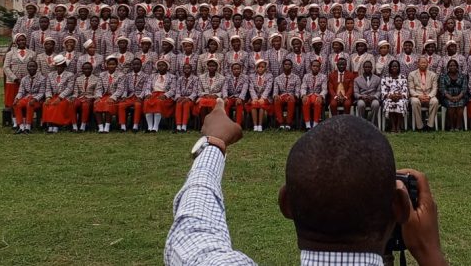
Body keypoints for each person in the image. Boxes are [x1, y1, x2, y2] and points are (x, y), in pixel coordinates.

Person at [164, 105, 448, 265]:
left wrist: (215, 144)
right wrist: (430, 255)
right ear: (400, 207)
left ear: (286, 204)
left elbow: (193, 229)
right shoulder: (404, 215)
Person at [13, 60, 47, 134]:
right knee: (16, 104)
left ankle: (28, 127)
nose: (31, 68)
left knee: (30, 104)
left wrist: (35, 99)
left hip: (37, 100)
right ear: (27, 68)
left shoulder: (42, 78)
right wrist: (17, 98)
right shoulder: (24, 79)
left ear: (36, 67)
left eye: (33, 66)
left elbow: (42, 93)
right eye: (30, 66)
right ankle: (21, 127)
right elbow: (21, 91)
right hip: (26, 97)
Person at [407, 57, 440, 131]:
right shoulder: (412, 74)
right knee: (415, 102)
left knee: (435, 101)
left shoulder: (433, 75)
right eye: (421, 63)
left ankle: (430, 125)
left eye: (425, 63)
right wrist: (419, 96)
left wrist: (429, 96)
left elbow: (435, 89)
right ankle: (419, 126)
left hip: (429, 95)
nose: (423, 64)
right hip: (416, 96)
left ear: (428, 64)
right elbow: (411, 89)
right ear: (418, 64)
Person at [438, 60, 468, 131]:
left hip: (461, 96)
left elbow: (464, 88)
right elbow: (442, 89)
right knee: (450, 104)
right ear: (448, 67)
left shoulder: (463, 76)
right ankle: (451, 126)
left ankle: (458, 126)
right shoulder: (443, 76)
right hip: (447, 97)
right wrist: (450, 97)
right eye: (450, 66)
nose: (452, 67)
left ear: (457, 67)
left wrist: (458, 97)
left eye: (454, 65)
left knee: (460, 104)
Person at [381, 61, 409, 133]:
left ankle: (398, 126)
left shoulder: (403, 77)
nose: (394, 68)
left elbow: (405, 91)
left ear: (399, 67)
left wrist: (399, 96)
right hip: (388, 97)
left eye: (396, 66)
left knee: (401, 103)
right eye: (393, 66)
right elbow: (383, 91)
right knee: (389, 103)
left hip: (400, 97)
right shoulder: (385, 77)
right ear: (390, 67)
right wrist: (390, 96)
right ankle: (393, 126)